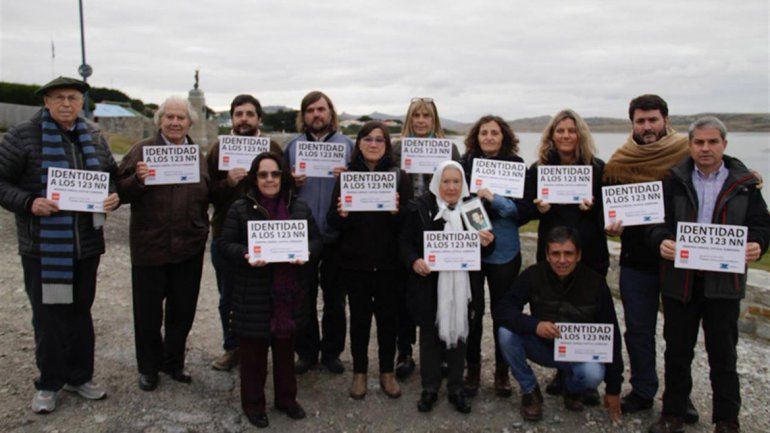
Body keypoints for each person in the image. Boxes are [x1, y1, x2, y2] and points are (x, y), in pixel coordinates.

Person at [0, 76, 119, 413]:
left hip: (86, 246)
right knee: (49, 316)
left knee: (81, 313)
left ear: (82, 103)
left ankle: (80, 376)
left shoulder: (93, 137)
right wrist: (28, 203)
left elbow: (110, 175)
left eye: (73, 97)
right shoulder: (22, 136)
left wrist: (114, 196)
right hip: (44, 247)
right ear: (46, 102)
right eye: (59, 98)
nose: (67, 104)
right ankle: (49, 382)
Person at [647, 117, 770, 433]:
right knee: (677, 352)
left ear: (724, 145)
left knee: (723, 356)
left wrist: (758, 244)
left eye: (712, 142)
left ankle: (727, 420)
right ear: (689, 145)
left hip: (724, 284)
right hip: (681, 282)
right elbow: (656, 222)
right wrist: (661, 240)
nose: (705, 148)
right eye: (699, 142)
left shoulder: (744, 184)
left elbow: (761, 226)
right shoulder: (673, 180)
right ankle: (673, 414)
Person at [602, 95, 696, 418]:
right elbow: (608, 206)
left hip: (678, 259)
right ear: (632, 124)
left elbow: (721, 163)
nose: (647, 127)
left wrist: (746, 172)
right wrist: (610, 227)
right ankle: (643, 389)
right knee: (639, 331)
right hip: (636, 261)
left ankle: (681, 397)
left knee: (679, 334)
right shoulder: (620, 161)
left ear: (666, 120)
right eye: (640, 121)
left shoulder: (687, 154)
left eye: (653, 119)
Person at [217, 152, 322, 428]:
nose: (269, 179)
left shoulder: (300, 207)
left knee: (286, 350)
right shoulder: (240, 208)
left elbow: (315, 241)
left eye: (275, 173)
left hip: (287, 295)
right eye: (263, 174)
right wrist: (246, 254)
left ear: (283, 176)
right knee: (253, 354)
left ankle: (287, 399)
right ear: (255, 178)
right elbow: (224, 244)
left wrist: (306, 253)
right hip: (252, 291)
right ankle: (253, 404)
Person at [116, 96, 211, 391]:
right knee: (147, 313)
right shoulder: (141, 151)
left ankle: (173, 363)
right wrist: (139, 180)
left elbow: (208, 193)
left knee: (182, 311)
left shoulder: (197, 155)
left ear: (189, 123)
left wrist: (229, 184)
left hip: (188, 247)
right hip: (150, 246)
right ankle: (148, 367)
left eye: (180, 118)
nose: (174, 122)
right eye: (169, 117)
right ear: (159, 121)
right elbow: (119, 190)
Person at [518, 109, 609, 403]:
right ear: (552, 136)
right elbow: (525, 211)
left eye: (571, 130)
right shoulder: (538, 169)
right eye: (560, 131)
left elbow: (609, 217)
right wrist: (539, 209)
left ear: (580, 134)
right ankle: (563, 372)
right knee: (553, 312)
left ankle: (584, 379)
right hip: (553, 252)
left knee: (587, 314)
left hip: (590, 253)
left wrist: (593, 208)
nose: (566, 136)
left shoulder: (597, 169)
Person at [493, 226, 623, 423]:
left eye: (568, 254)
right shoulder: (532, 275)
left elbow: (612, 335)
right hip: (541, 345)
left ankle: (571, 388)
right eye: (556, 254)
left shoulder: (596, 283)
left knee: (593, 374)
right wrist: (534, 325)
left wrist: (613, 389)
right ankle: (530, 390)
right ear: (547, 254)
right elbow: (503, 309)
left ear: (578, 255)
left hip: (577, 352)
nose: (562, 260)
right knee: (505, 334)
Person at [399, 161, 495, 414]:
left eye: (456, 182)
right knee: (430, 335)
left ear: (463, 184)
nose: (451, 187)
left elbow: (489, 247)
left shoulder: (473, 207)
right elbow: (405, 243)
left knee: (460, 333)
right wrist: (414, 261)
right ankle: (429, 388)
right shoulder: (420, 208)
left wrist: (487, 241)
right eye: (446, 181)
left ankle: (456, 387)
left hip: (464, 285)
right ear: (436, 183)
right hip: (429, 285)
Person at [327, 121, 413, 399]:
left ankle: (386, 372)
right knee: (360, 320)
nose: (373, 144)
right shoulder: (345, 178)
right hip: (355, 262)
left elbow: (408, 225)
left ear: (386, 146)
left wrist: (396, 213)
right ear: (359, 144)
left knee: (389, 320)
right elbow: (331, 221)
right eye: (368, 139)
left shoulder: (400, 177)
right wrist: (340, 215)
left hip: (389, 263)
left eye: (379, 140)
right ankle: (360, 373)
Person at [207, 94, 283, 371]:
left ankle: (267, 345)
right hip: (227, 238)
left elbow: (283, 189)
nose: (244, 119)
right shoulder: (218, 149)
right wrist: (227, 182)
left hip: (268, 237)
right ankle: (232, 347)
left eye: (250, 114)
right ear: (232, 118)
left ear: (259, 119)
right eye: (239, 114)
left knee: (267, 295)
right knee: (228, 296)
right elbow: (206, 192)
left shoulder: (272, 147)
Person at [283, 91, 354, 374]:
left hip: (338, 233)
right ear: (304, 115)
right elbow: (276, 187)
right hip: (303, 233)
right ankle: (306, 351)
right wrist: (291, 182)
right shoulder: (292, 147)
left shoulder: (348, 146)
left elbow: (363, 187)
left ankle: (332, 352)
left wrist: (348, 176)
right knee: (303, 296)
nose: (316, 114)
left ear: (330, 112)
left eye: (321, 109)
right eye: (310, 110)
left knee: (336, 299)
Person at [391, 97, 461, 379]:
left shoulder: (450, 148)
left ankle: (441, 352)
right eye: (416, 115)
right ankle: (404, 351)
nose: (421, 120)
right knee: (404, 292)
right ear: (410, 118)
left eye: (427, 116)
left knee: (438, 289)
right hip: (406, 222)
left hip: (439, 222)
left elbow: (457, 183)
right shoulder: (398, 147)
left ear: (435, 120)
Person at [459, 115, 524, 398]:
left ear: (504, 136)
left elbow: (521, 212)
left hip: (506, 251)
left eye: (494, 133)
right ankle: (472, 368)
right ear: (476, 136)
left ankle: (502, 370)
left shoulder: (517, 166)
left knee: (503, 312)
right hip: (471, 248)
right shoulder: (465, 165)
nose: (488, 137)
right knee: (472, 313)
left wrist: (494, 199)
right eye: (483, 132)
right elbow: (457, 202)